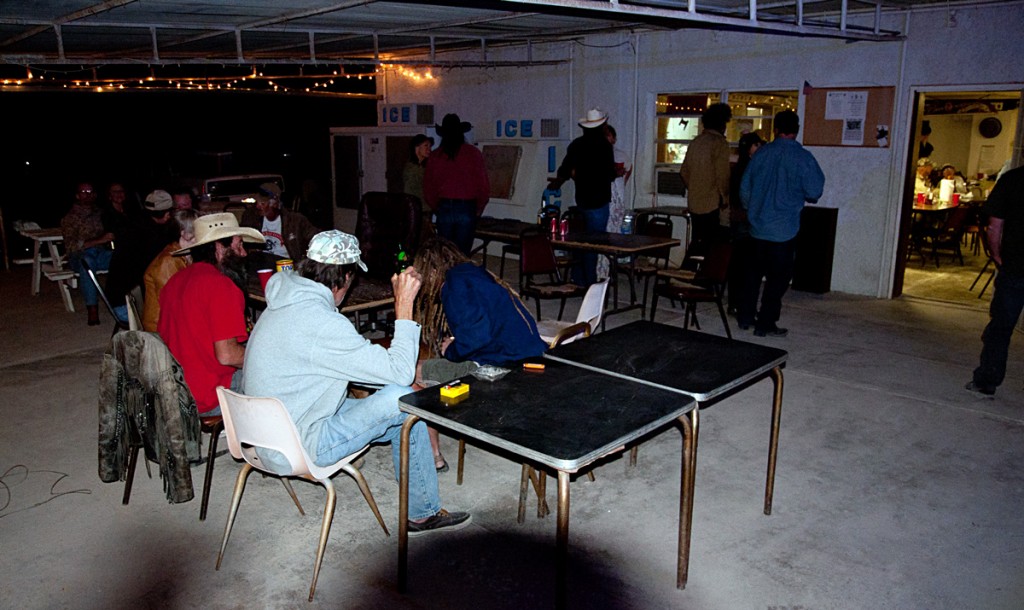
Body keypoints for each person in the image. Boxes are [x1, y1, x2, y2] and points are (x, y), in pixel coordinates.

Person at [243, 230, 472, 535]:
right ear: (344, 278)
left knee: (396, 406)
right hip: (297, 445)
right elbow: (400, 373)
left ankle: (422, 509)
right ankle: (422, 513)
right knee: (404, 398)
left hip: (263, 433)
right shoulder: (323, 324)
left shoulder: (281, 301)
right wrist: (403, 307)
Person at [413, 236, 548, 471]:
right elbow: (485, 326)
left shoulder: (452, 286)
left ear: (433, 270)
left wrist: (452, 350)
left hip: (502, 369)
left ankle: (432, 455)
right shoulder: (474, 273)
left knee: (413, 373)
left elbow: (477, 337)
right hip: (529, 357)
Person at [158, 213, 265, 415]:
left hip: (174, 392)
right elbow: (227, 355)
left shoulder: (176, 280)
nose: (243, 254)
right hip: (207, 397)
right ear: (219, 247)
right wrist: (268, 359)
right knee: (284, 370)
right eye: (239, 245)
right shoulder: (221, 285)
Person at [739, 110, 825, 338]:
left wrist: (753, 210)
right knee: (777, 280)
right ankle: (765, 323)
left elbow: (744, 188)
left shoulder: (761, 154)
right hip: (784, 231)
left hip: (757, 228)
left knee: (752, 276)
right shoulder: (803, 157)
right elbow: (815, 191)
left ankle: (746, 317)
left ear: (775, 129)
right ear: (796, 130)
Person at [966, 165, 1024, 397]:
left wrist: (997, 255)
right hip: (1014, 266)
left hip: (1015, 265)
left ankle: (987, 382)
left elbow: (995, 225)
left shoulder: (1012, 180)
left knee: (1001, 327)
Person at [548, 107, 617, 285]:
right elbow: (609, 174)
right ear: (603, 125)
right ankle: (590, 282)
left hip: (583, 199)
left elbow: (564, 169)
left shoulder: (577, 144)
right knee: (593, 244)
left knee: (581, 241)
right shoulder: (604, 146)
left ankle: (579, 278)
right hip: (599, 200)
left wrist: (565, 178)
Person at [106, 189, 177, 323]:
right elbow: (154, 276)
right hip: (127, 307)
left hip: (119, 299)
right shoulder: (150, 236)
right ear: (167, 214)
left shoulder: (137, 224)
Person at [423, 114, 490, 255]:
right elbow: (483, 184)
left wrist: (437, 207)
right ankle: (460, 275)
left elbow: (428, 187)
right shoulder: (473, 153)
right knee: (462, 253)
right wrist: (479, 207)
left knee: (446, 252)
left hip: (444, 206)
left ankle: (446, 276)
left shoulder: (435, 155)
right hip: (466, 207)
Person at [680, 102, 732, 257]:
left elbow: (683, 171)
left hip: (695, 200)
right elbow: (722, 175)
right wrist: (724, 197)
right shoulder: (720, 143)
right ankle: (704, 277)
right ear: (722, 124)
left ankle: (688, 273)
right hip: (712, 202)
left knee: (697, 239)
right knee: (711, 244)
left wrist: (694, 186)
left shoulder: (696, 142)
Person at [61, 181, 114, 325]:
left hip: (101, 254)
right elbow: (72, 246)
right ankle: (92, 308)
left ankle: (124, 301)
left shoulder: (101, 213)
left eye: (90, 192)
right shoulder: (70, 218)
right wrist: (98, 241)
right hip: (80, 257)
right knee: (88, 261)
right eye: (83, 192)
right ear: (77, 195)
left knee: (123, 256)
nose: (87, 195)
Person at [726, 132, 765, 315]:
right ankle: (740, 304)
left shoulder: (740, 167)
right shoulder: (748, 167)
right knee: (745, 266)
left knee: (740, 265)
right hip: (745, 220)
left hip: (739, 219)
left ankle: (737, 303)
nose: (759, 148)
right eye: (756, 145)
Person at [142, 209, 198, 332]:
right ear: (185, 234)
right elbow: (173, 304)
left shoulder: (184, 254)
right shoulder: (168, 261)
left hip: (172, 320)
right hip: (163, 327)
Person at [241, 182, 320, 264]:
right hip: (262, 264)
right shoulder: (250, 217)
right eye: (257, 202)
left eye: (262, 203)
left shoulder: (295, 221)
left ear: (275, 204)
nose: (258, 206)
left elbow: (315, 237)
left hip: (287, 264)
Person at [598, 124, 633, 280]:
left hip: (616, 200)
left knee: (613, 235)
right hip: (601, 201)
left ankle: (609, 269)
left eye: (610, 135)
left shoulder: (621, 155)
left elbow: (626, 175)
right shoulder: (597, 154)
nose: (608, 139)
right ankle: (600, 270)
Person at [403, 134, 434, 209]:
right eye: (426, 146)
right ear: (417, 148)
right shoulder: (412, 169)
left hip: (423, 208)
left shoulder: (425, 167)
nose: (429, 149)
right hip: (416, 208)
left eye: (430, 146)